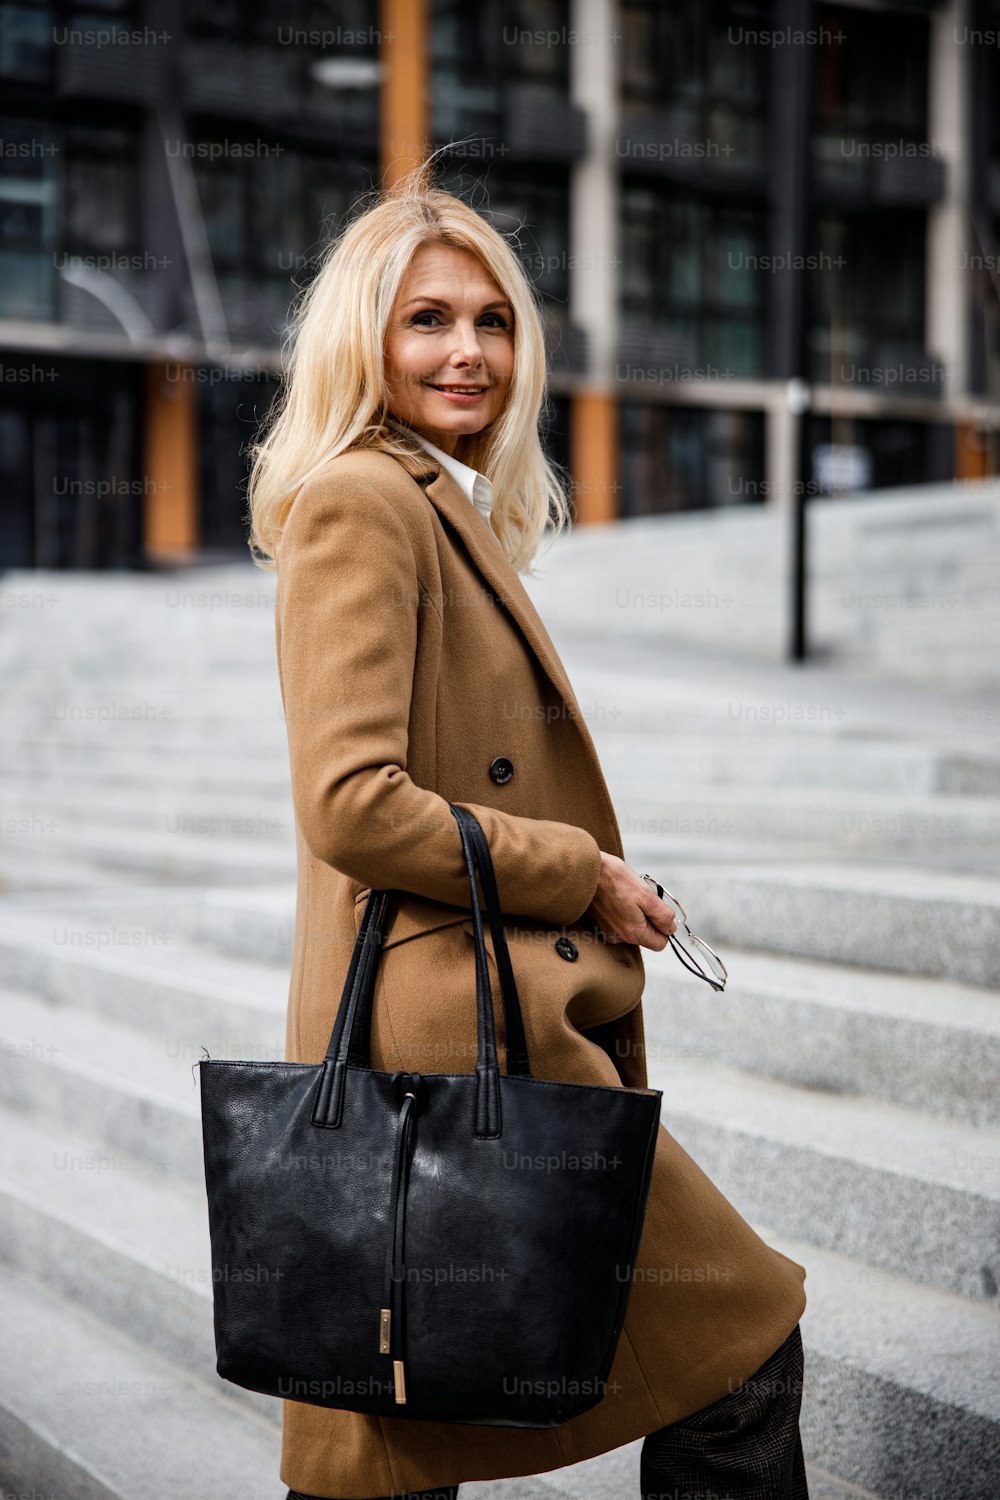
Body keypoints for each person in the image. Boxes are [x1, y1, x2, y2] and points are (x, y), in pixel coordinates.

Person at [248, 157, 809, 1500]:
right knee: (738, 1342)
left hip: (467, 1030)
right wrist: (584, 875)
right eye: (427, 318)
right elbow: (350, 804)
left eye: (493, 319)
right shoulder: (360, 503)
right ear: (361, 338)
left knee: (393, 1433)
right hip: (456, 1038)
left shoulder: (431, 498)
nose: (469, 349)